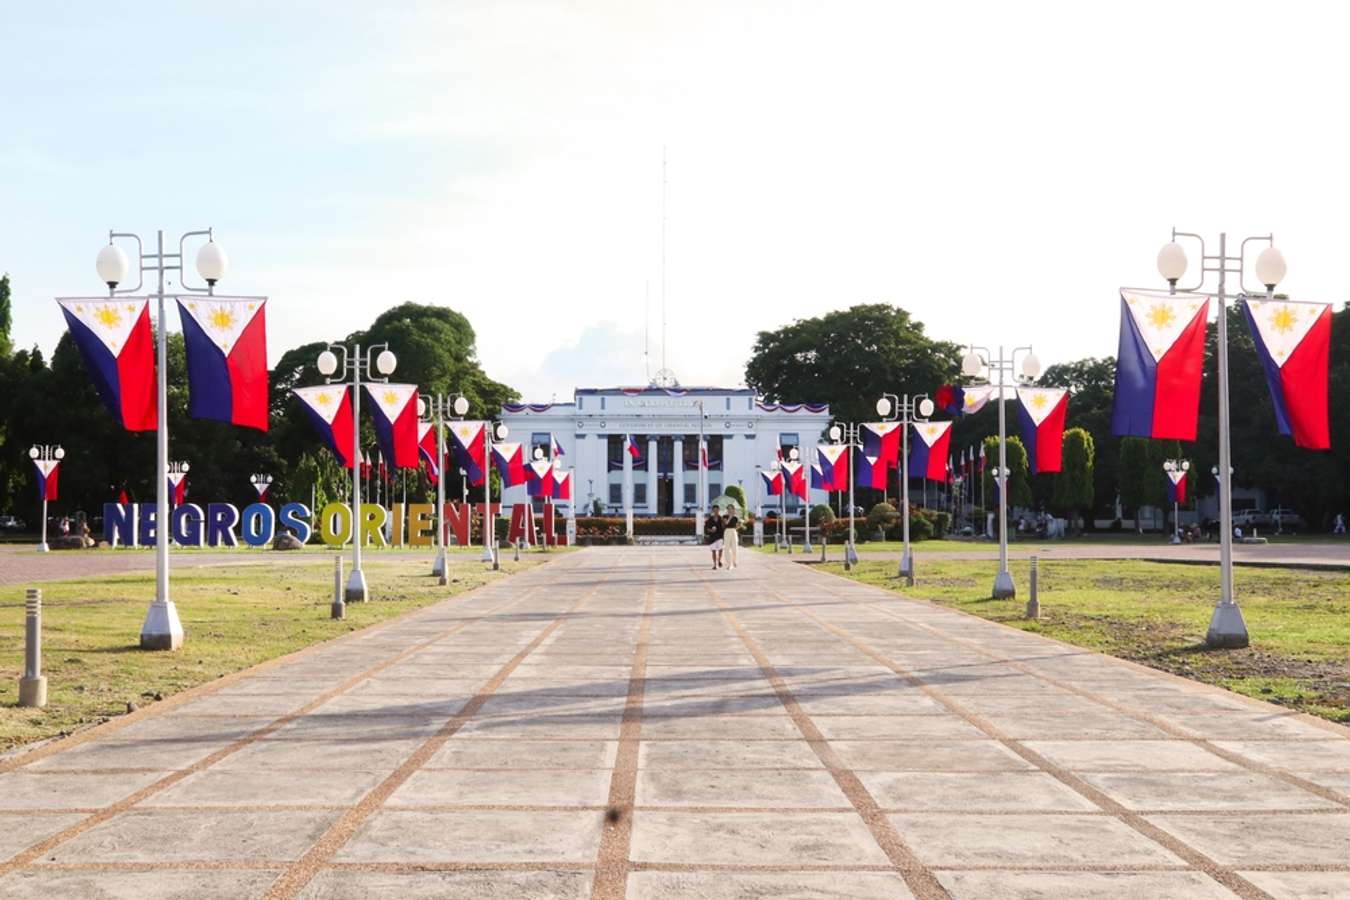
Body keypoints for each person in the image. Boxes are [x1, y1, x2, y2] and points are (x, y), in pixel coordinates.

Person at [707, 504, 725, 569]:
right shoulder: (710, 519)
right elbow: (707, 529)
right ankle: (714, 565)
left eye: (717, 510)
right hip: (712, 537)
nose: (716, 511)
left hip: (720, 536)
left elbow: (724, 527)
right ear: (712, 511)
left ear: (719, 510)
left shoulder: (721, 518)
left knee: (720, 550)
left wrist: (723, 523)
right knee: (714, 551)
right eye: (714, 510)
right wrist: (711, 530)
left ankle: (719, 560)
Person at [723, 504, 741, 570]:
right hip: (727, 531)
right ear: (727, 510)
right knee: (727, 548)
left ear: (733, 509)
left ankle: (734, 561)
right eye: (728, 509)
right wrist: (730, 517)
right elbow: (726, 523)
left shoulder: (736, 517)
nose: (730, 510)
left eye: (731, 509)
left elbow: (737, 526)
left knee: (735, 547)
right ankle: (729, 564)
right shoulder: (725, 516)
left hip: (733, 531)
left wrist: (739, 525)